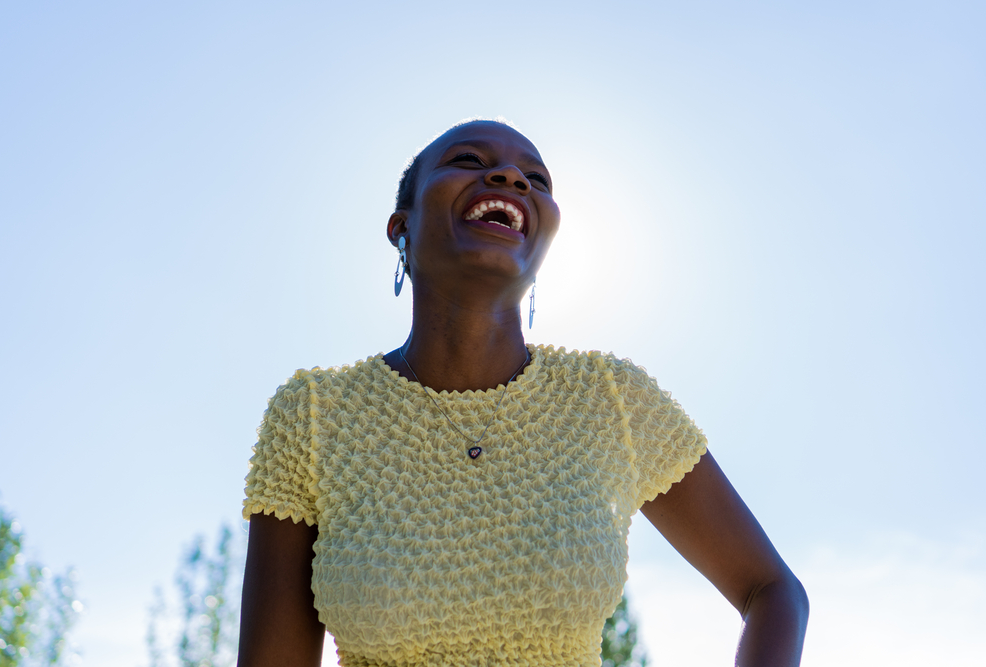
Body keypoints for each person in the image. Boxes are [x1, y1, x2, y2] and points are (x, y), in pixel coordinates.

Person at [236, 119, 809, 667]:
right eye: (468, 161)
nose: (511, 179)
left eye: (535, 180)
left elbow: (772, 589)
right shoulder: (312, 416)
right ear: (401, 229)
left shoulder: (612, 399)